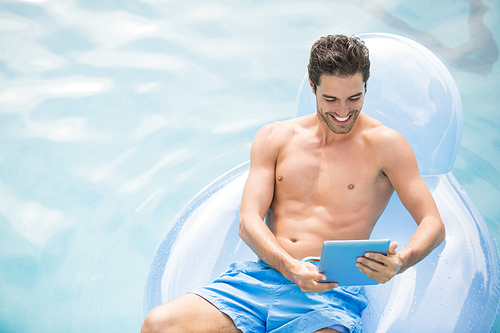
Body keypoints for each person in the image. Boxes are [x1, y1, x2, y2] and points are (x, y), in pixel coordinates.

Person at [141, 34, 445, 333]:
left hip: (330, 290)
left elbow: (433, 223)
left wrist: (402, 261)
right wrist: (290, 267)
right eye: (331, 99)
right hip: (261, 279)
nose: (343, 112)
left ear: (366, 86)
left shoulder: (386, 145)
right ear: (312, 87)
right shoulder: (275, 138)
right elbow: (248, 221)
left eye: (355, 98)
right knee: (158, 324)